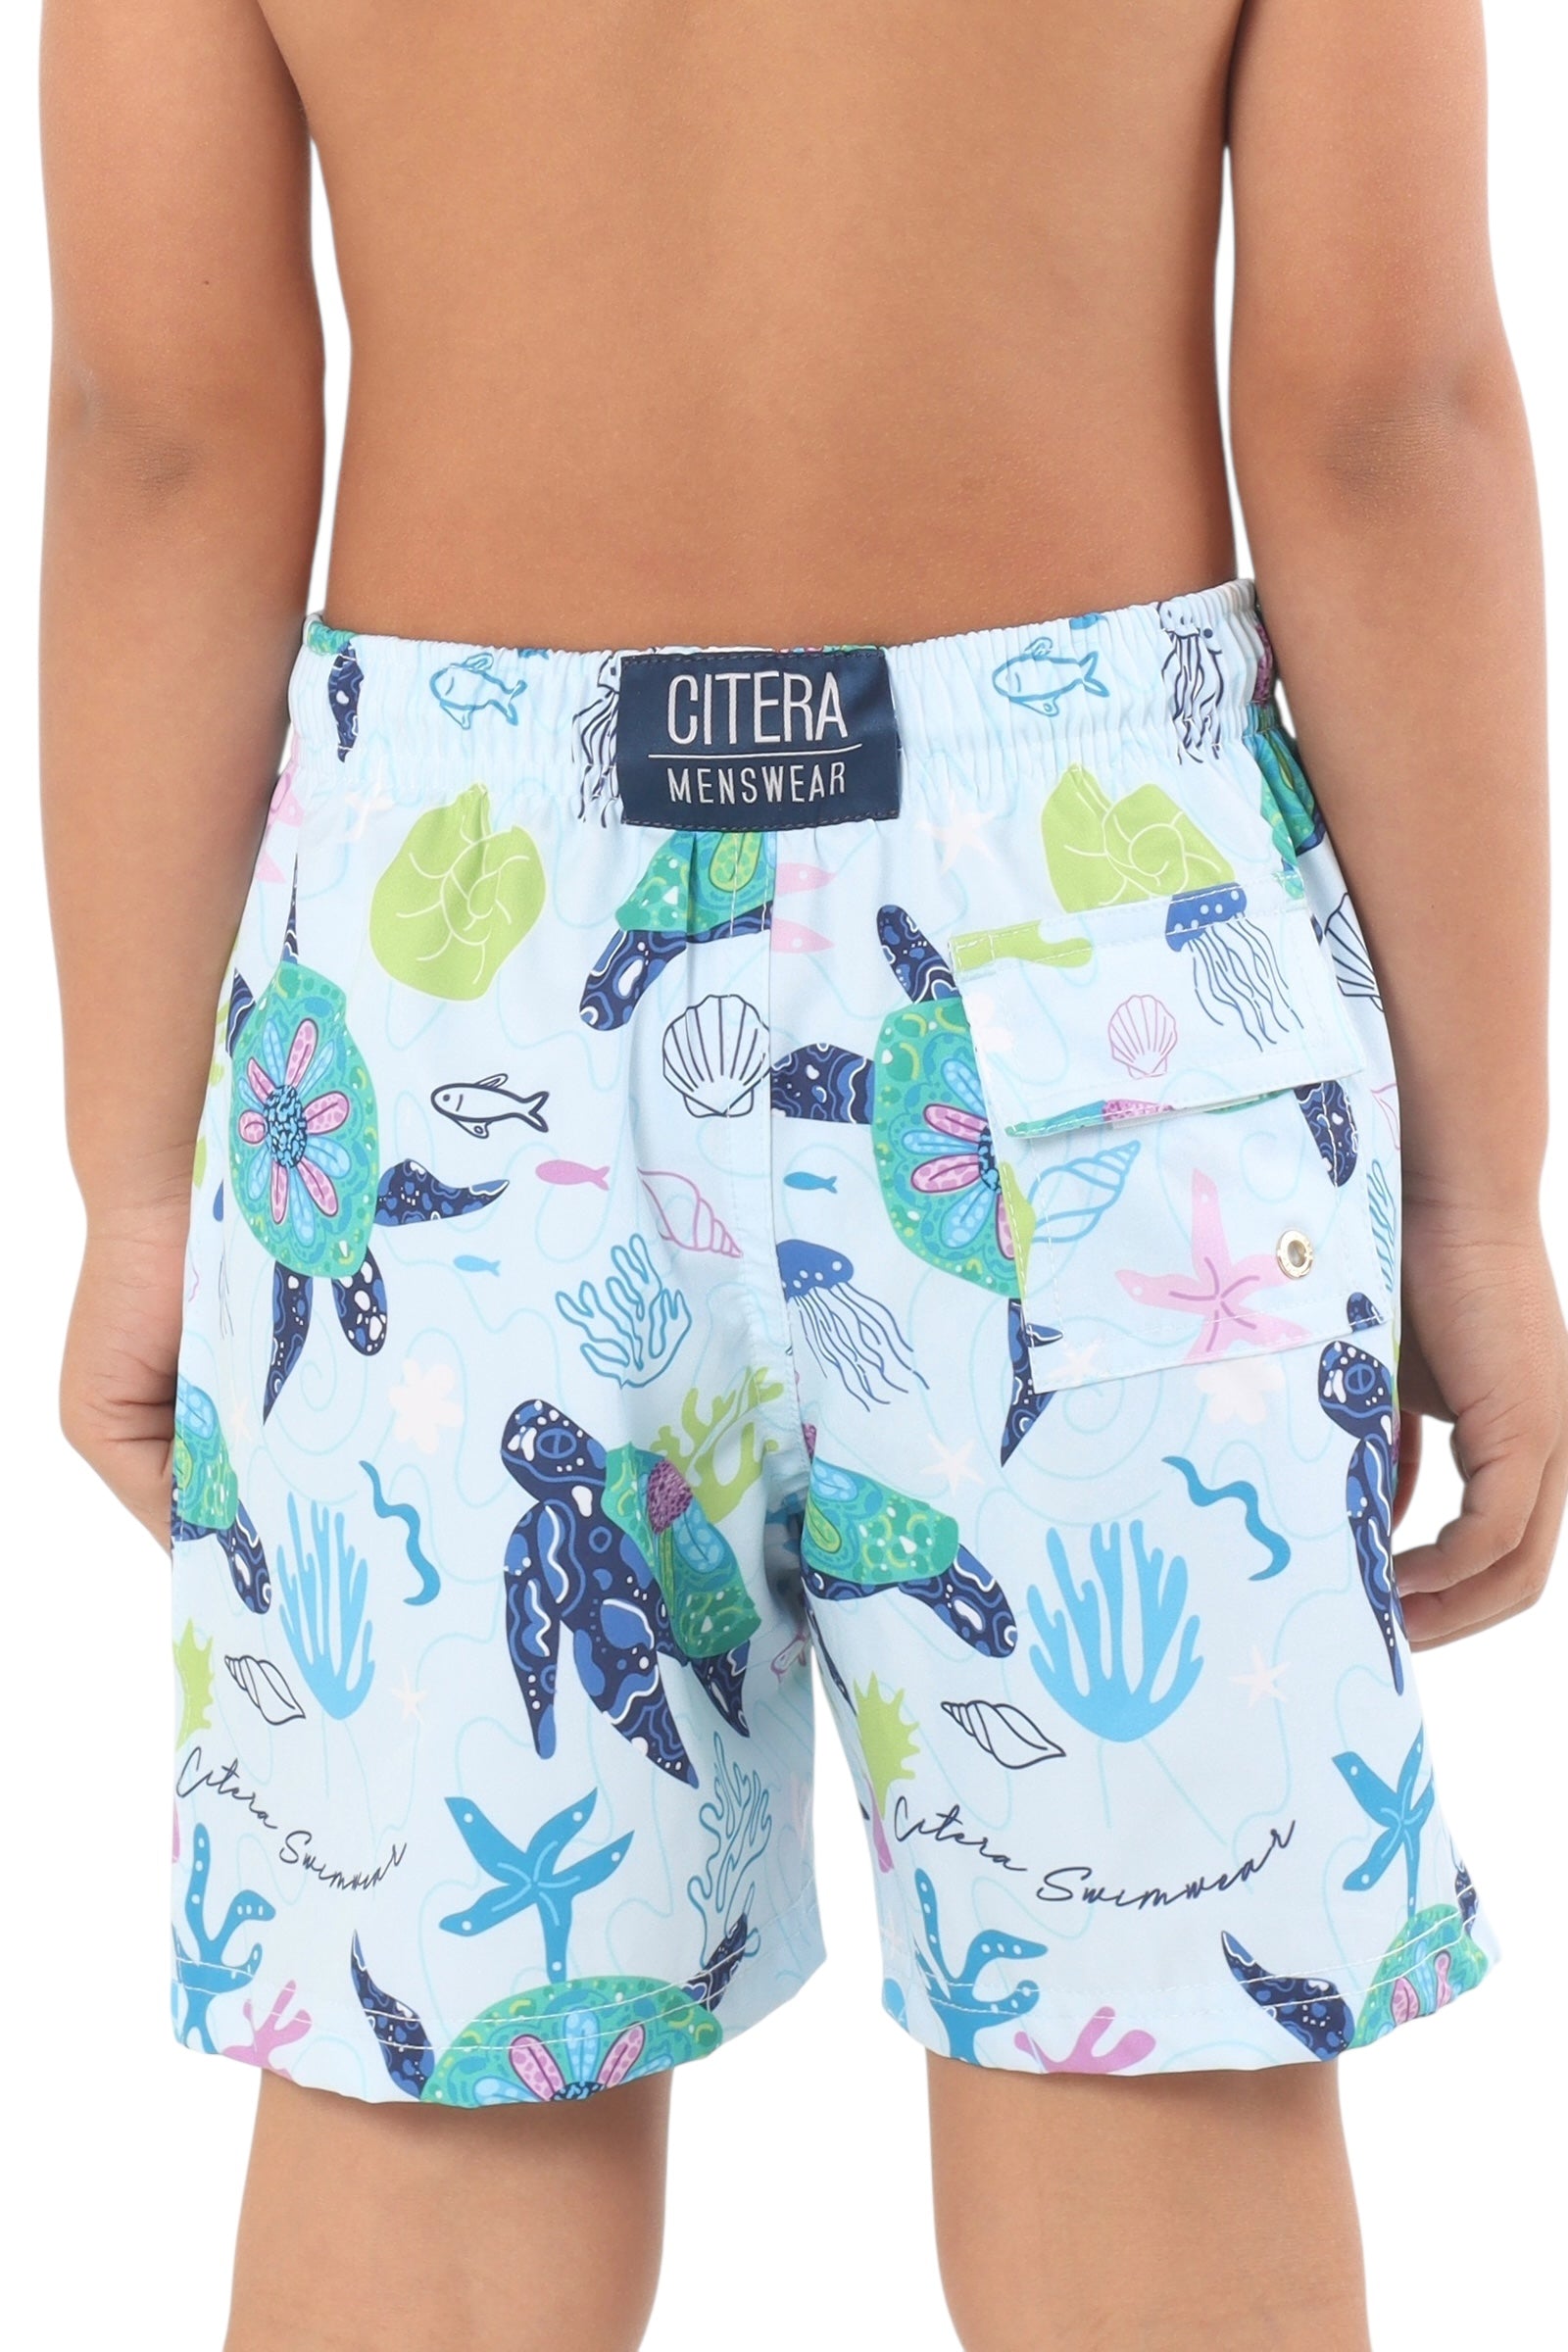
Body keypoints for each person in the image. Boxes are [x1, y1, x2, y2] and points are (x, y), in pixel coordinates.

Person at [39, 2, 1565, 2347]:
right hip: (1086, 965)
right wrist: (1470, 1193)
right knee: (1147, 2069)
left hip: (454, 969)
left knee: (444, 2115)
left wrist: (139, 1182)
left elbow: (165, 438)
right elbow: (1378, 419)